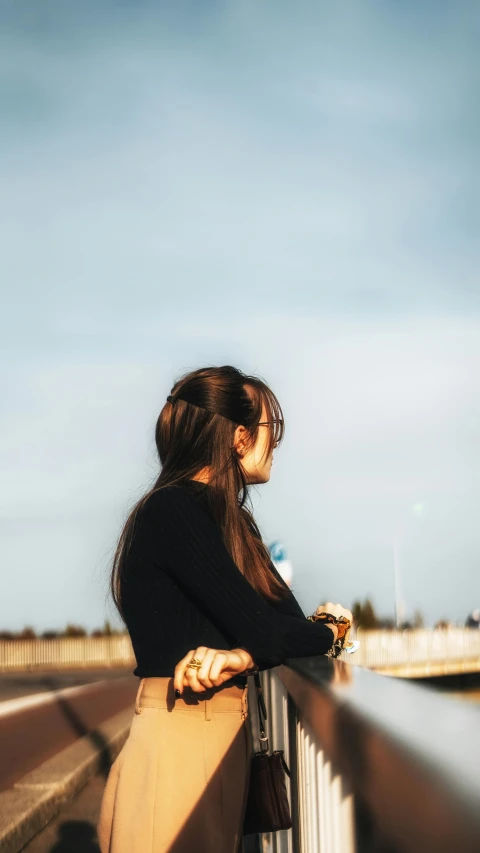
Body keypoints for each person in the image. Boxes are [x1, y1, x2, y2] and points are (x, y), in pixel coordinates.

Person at [97, 365, 352, 853]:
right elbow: (273, 633)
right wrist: (329, 631)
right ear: (238, 437)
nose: (274, 443)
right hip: (179, 744)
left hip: (218, 745)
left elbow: (286, 629)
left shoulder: (233, 523)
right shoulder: (173, 511)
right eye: (269, 430)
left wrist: (244, 656)